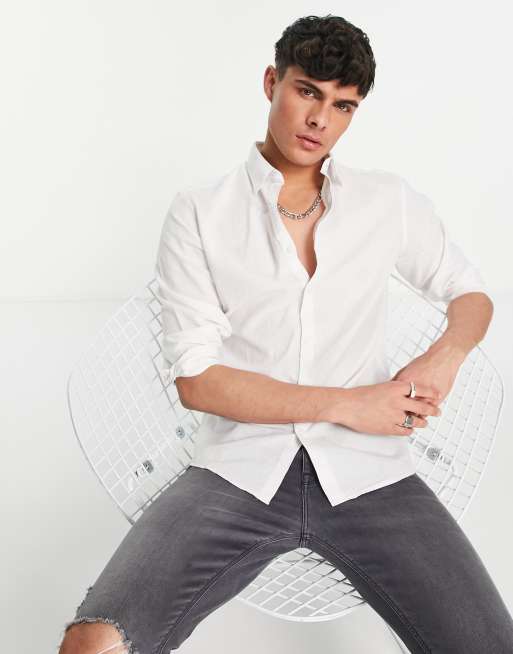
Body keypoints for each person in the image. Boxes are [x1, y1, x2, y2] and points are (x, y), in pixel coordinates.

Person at [58, 14, 513, 654]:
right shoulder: (201, 212)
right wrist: (350, 404)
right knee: (95, 643)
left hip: (371, 475)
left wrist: (446, 355)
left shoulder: (387, 201)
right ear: (272, 82)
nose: (319, 119)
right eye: (307, 92)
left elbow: (470, 293)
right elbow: (197, 380)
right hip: (237, 473)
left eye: (342, 105)